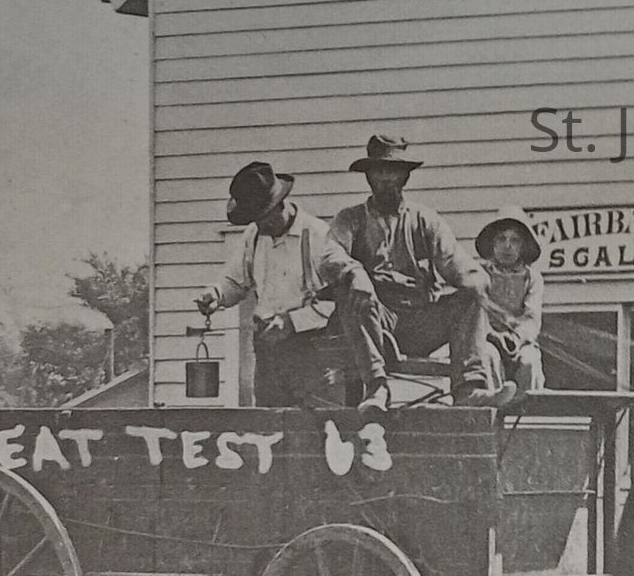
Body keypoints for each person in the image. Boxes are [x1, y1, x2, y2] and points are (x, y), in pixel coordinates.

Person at [329, 133, 499, 408]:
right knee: (351, 290)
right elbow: (330, 255)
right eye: (378, 171)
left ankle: (469, 389)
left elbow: (454, 261)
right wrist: (354, 272)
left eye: (393, 171)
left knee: (470, 297)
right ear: (368, 177)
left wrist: (476, 279)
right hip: (374, 321)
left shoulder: (425, 220)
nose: (385, 178)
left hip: (419, 322)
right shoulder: (350, 219)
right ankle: (376, 387)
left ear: (405, 176)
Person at [196, 160, 377, 409]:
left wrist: (293, 321)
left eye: (264, 217)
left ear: (278, 204)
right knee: (269, 430)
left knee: (318, 434)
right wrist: (216, 294)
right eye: (255, 219)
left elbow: (343, 291)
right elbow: (235, 280)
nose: (261, 224)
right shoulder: (254, 235)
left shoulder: (317, 235)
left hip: (311, 354)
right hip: (268, 354)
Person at [475, 208, 548, 397]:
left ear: (523, 246)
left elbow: (532, 319)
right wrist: (491, 335)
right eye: (501, 239)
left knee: (529, 362)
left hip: (519, 342)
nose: (507, 246)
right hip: (488, 338)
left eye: (514, 240)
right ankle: (493, 410)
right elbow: (474, 309)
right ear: (493, 244)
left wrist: (516, 338)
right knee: (487, 356)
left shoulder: (532, 278)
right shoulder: (480, 274)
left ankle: (526, 418)